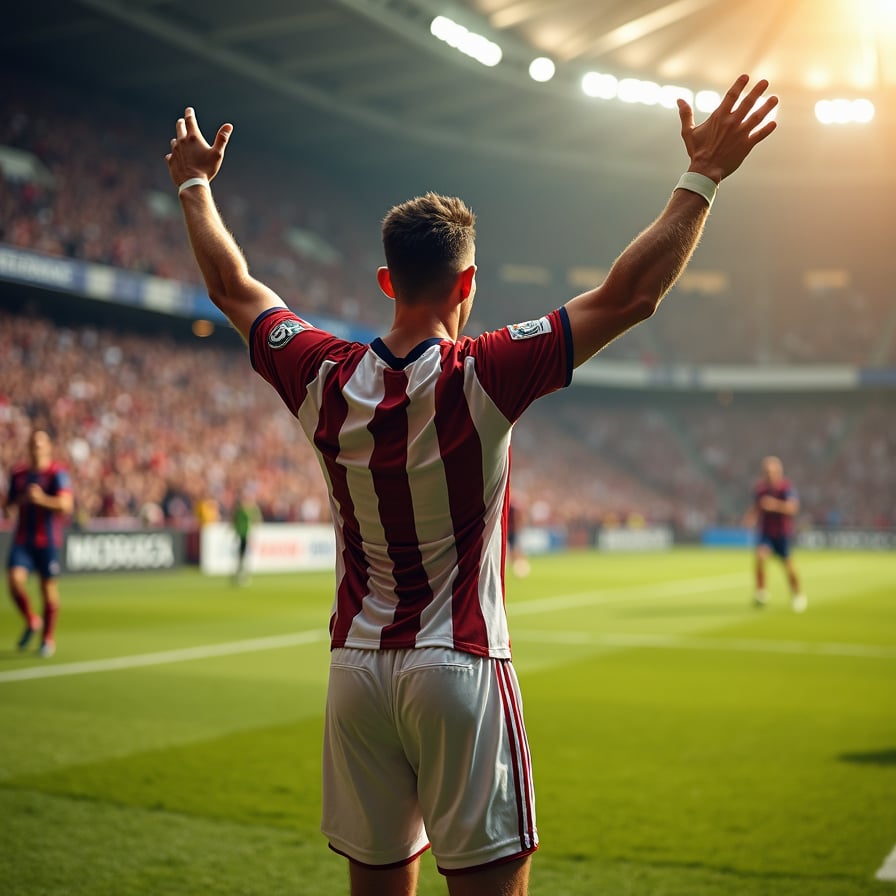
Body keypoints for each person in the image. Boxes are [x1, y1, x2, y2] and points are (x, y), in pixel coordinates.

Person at [165, 73, 777, 896]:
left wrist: (195, 184)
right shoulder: (484, 373)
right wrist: (702, 177)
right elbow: (631, 295)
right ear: (469, 285)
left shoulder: (319, 373)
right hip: (459, 665)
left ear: (387, 281)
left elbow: (232, 288)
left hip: (355, 674)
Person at [4, 429, 74, 658]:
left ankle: (47, 638)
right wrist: (18, 501)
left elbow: (66, 505)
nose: (37, 448)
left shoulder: (57, 474)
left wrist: (42, 499)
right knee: (14, 582)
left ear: (48, 447)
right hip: (23, 539)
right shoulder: (19, 474)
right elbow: (9, 506)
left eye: (41, 443)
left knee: (48, 589)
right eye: (33, 443)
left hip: (48, 539)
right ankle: (32, 619)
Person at [743, 455, 807, 613]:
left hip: (782, 533)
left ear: (778, 472)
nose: (768, 475)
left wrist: (774, 505)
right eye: (765, 472)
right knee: (760, 556)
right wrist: (750, 517)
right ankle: (761, 592)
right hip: (766, 531)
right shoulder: (760, 489)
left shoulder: (786, 488)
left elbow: (793, 508)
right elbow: (757, 507)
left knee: (788, 566)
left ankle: (798, 594)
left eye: (771, 472)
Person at [232, 491, 262, 585]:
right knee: (242, 556)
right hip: (242, 535)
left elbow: (257, 520)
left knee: (243, 556)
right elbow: (257, 519)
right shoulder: (243, 511)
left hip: (243, 535)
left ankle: (240, 575)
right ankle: (241, 576)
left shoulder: (241, 511)